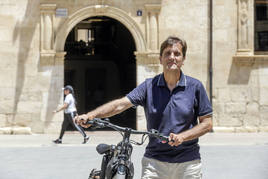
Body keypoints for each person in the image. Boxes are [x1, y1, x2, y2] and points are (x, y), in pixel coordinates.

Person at [76, 36, 213, 178]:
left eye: (177, 54)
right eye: (167, 53)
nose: (172, 57)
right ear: (160, 59)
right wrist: (91, 115)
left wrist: (182, 137)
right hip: (154, 163)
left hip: (188, 163)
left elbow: (207, 123)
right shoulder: (149, 86)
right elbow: (120, 105)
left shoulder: (195, 87)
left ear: (183, 59)